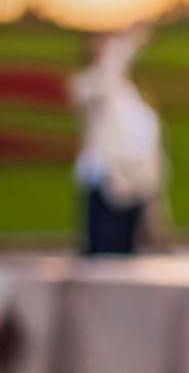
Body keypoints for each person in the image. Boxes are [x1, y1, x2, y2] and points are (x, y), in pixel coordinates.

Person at [68, 22, 165, 255]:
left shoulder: (132, 95)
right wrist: (128, 41)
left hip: (136, 189)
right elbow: (107, 75)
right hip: (108, 187)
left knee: (127, 260)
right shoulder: (87, 85)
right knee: (104, 258)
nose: (111, 49)